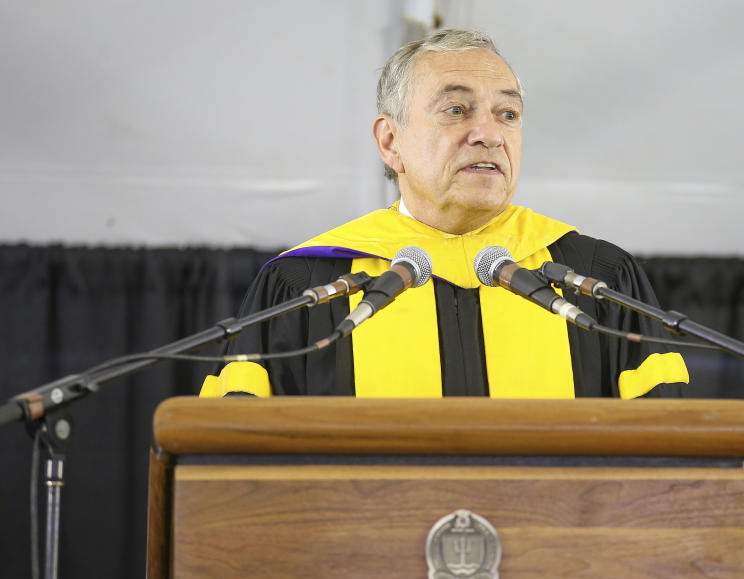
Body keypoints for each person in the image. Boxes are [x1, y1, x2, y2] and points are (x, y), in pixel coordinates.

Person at [201, 28, 688, 399]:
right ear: (391, 142)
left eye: (508, 114)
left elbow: (670, 454)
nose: (489, 134)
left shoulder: (596, 279)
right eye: (457, 110)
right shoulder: (307, 285)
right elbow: (235, 459)